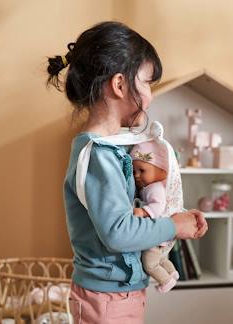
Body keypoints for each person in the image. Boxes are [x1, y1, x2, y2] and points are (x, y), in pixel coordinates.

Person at [46, 21, 208, 324]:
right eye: (147, 83)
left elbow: (133, 215)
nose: (151, 95)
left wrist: (173, 212)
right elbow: (118, 232)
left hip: (120, 293)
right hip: (106, 299)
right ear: (120, 85)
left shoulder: (113, 150)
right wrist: (173, 226)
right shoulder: (98, 157)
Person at [130, 121, 183, 293]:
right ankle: (173, 272)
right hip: (162, 233)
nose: (137, 176)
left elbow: (158, 208)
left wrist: (143, 211)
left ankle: (166, 281)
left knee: (149, 263)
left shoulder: (156, 188)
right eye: (134, 171)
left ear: (162, 170)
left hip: (157, 233)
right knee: (160, 258)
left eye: (142, 171)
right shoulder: (151, 187)